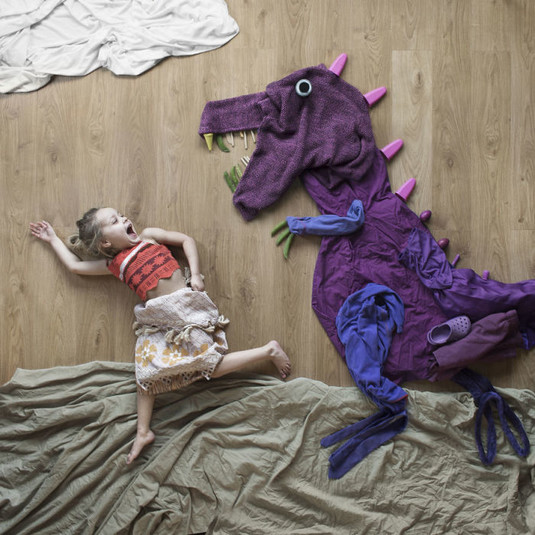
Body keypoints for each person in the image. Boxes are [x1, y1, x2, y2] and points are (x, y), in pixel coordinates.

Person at [30, 207, 291, 464]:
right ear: (106, 242)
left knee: (210, 366)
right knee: (145, 374)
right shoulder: (114, 265)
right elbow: (75, 267)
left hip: (184, 311)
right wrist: (52, 239)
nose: (124, 218)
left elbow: (186, 240)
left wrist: (195, 273)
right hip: (158, 321)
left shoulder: (149, 237)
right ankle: (143, 432)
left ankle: (268, 350)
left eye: (120, 215)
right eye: (115, 220)